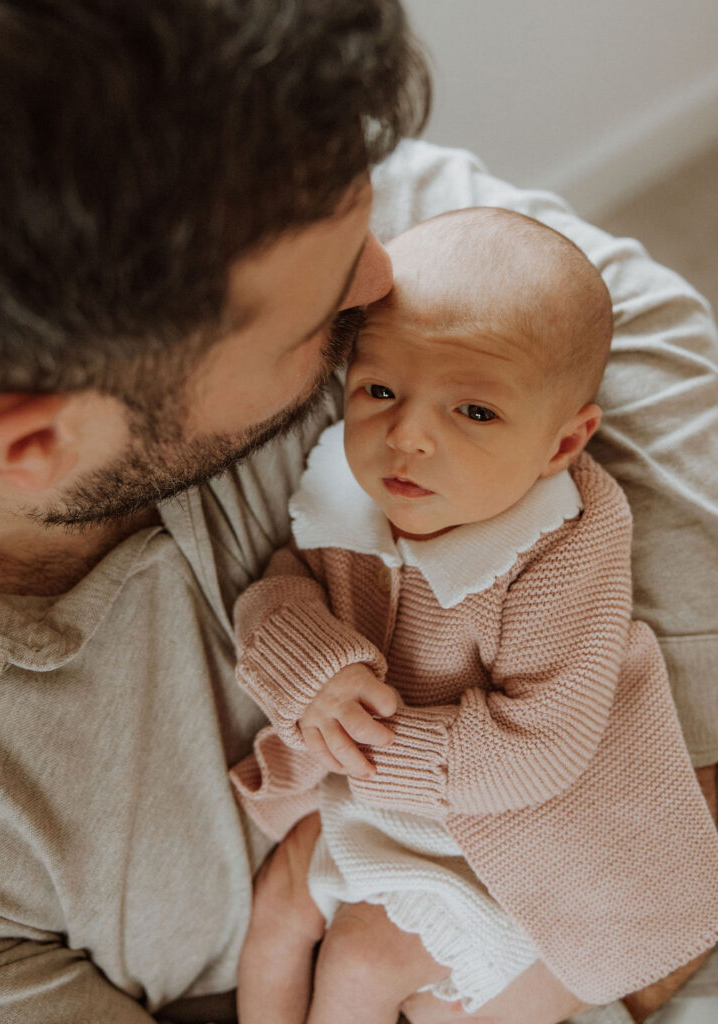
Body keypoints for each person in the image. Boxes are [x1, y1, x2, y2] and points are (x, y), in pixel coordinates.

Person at [0, 2, 715, 1023]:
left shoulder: (244, 186)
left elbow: (621, 311)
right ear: (35, 443)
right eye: (328, 316)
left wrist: (682, 803)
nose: (387, 279)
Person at [230, 207, 718, 1024]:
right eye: (379, 390)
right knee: (279, 919)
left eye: (476, 412)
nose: (408, 436)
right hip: (379, 816)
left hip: (522, 826)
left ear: (561, 445)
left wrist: (379, 752)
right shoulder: (343, 500)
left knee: (362, 962)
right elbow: (278, 594)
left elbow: (545, 742)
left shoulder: (558, 546)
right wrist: (318, 674)